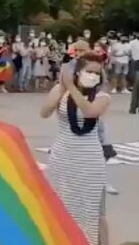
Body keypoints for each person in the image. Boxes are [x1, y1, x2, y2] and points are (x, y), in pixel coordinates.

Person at [41, 52, 111, 245]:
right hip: (63, 156)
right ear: (77, 71)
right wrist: (62, 87)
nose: (93, 76)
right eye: (89, 71)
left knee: (93, 211)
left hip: (89, 160)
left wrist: (71, 87)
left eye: (97, 73)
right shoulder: (61, 90)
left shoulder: (103, 96)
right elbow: (44, 112)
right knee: (60, 207)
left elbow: (90, 112)